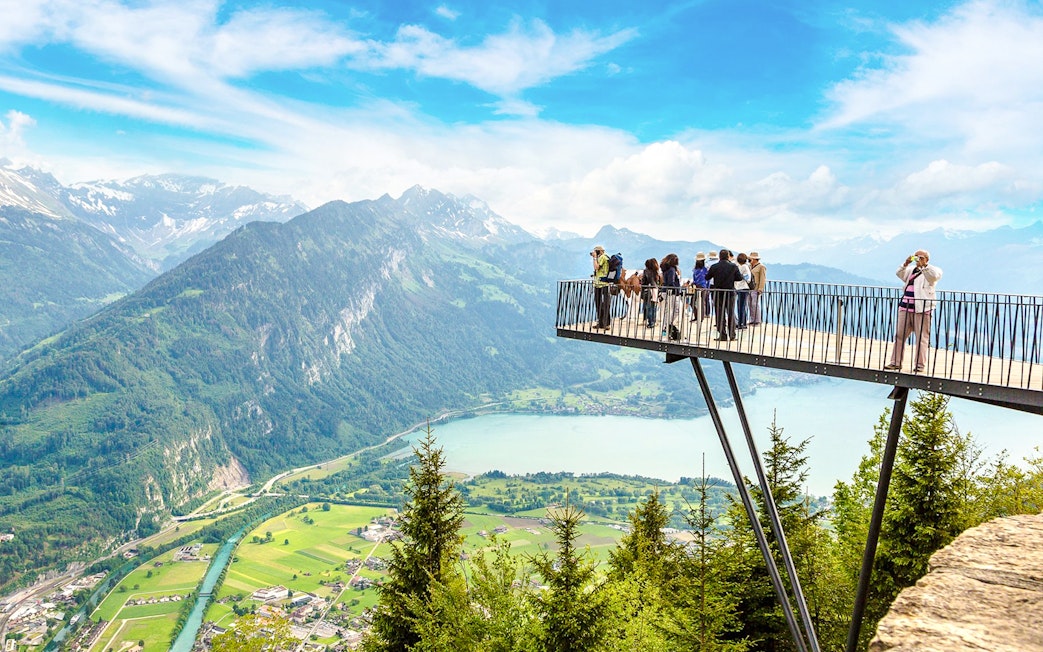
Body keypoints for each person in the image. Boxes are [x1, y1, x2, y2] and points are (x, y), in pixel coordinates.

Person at [885, 250, 943, 372]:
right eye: (916, 257)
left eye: (921, 257)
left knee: (921, 337)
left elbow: (934, 276)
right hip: (905, 307)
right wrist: (906, 263)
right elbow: (899, 273)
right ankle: (895, 362)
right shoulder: (912, 270)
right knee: (899, 335)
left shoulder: (932, 270)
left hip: (922, 309)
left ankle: (919, 365)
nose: (917, 259)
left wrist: (924, 266)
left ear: (927, 259)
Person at [705, 248, 741, 340]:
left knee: (719, 314)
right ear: (728, 256)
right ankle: (732, 335)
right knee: (730, 313)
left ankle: (722, 335)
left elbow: (707, 277)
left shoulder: (714, 267)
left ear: (720, 257)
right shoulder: (733, 266)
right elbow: (739, 278)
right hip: (730, 292)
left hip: (718, 292)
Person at [660, 253, 681, 337]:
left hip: (665, 291)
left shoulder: (665, 269)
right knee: (676, 309)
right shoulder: (672, 269)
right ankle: (668, 324)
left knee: (668, 310)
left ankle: (665, 327)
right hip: (672, 293)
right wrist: (677, 290)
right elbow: (671, 282)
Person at [590, 246, 611, 330]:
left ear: (599, 251)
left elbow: (596, 267)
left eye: (595, 251)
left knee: (603, 304)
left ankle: (606, 323)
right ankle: (602, 322)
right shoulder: (604, 257)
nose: (594, 253)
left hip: (603, 284)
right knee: (600, 303)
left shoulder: (603, 257)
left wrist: (594, 258)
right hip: (600, 284)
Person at [639, 258, 661, 328]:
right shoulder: (656, 271)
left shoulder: (646, 271)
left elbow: (644, 281)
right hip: (655, 289)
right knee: (653, 306)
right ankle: (653, 321)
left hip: (648, 290)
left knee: (648, 307)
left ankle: (650, 322)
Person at [748, 251, 767, 326]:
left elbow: (763, 278)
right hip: (750, 287)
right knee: (749, 303)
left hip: (756, 287)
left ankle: (757, 320)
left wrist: (761, 288)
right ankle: (752, 319)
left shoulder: (761, 267)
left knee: (755, 304)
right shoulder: (749, 266)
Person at [691, 252, 710, 321]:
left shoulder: (705, 269)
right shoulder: (696, 269)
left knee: (701, 302)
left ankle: (700, 317)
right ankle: (697, 316)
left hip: (702, 287)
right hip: (697, 286)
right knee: (693, 302)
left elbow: (707, 279)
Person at [735, 252, 752, 329]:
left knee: (740, 306)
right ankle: (743, 322)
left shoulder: (742, 267)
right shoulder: (745, 266)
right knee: (741, 306)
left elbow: (748, 279)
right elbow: (748, 279)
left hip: (741, 288)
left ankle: (741, 323)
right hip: (742, 288)